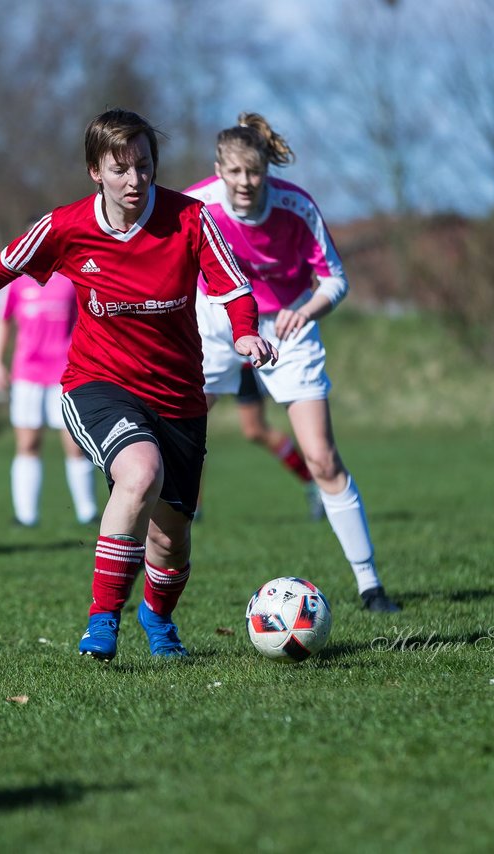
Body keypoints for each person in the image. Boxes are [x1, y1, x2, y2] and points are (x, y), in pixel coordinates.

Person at [0, 108, 275, 660]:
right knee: (139, 473)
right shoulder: (67, 226)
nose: (135, 180)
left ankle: (157, 618)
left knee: (170, 538)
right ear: (95, 171)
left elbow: (232, 288)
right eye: (121, 169)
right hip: (97, 382)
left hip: (179, 395)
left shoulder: (191, 219)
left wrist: (245, 333)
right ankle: (102, 619)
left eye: (144, 165)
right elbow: (3, 266)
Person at [185, 112, 400, 613]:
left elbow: (335, 281)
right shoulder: (195, 206)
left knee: (322, 458)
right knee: (174, 456)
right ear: (218, 168)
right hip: (214, 327)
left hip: (287, 331)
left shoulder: (296, 208)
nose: (244, 183)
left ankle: (370, 587)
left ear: (266, 170)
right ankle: (148, 595)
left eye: (253, 172)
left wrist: (302, 311)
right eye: (233, 173)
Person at [0, 271, 99, 527]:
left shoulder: (71, 277)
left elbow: (89, 319)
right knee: (27, 444)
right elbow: (0, 321)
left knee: (76, 444)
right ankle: (26, 516)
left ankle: (88, 511)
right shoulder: (14, 281)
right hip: (27, 374)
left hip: (67, 372)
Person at [198, 363, 324, 521]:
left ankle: (313, 482)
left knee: (255, 430)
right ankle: (191, 506)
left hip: (242, 358)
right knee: (191, 423)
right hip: (211, 355)